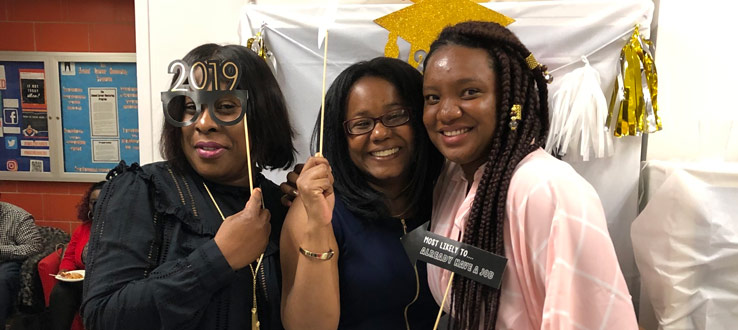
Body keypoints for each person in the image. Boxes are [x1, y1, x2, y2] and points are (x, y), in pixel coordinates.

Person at [421, 21, 638, 329]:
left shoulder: (549, 190)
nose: (446, 112)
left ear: (511, 103)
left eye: (470, 92)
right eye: (432, 97)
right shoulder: (452, 178)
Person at [81, 44, 295, 330]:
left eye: (227, 107)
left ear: (263, 116)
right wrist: (217, 259)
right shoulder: (144, 192)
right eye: (190, 107)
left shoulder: (279, 204)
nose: (203, 123)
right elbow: (102, 318)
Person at [280, 57, 443, 329]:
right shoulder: (318, 209)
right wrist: (318, 227)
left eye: (395, 116)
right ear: (340, 137)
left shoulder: (449, 196)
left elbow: (493, 280)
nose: (379, 133)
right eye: (361, 124)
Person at [47, 181, 105, 330]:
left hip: (106, 282)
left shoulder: (121, 228)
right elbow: (69, 255)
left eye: (102, 201)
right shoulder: (83, 229)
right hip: (81, 281)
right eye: (93, 202)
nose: (97, 206)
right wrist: (65, 270)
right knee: (60, 292)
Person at [1, 199, 42, 327]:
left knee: (2, 280)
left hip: (6, 262)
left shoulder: (17, 216)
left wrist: (1, 250)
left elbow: (33, 247)